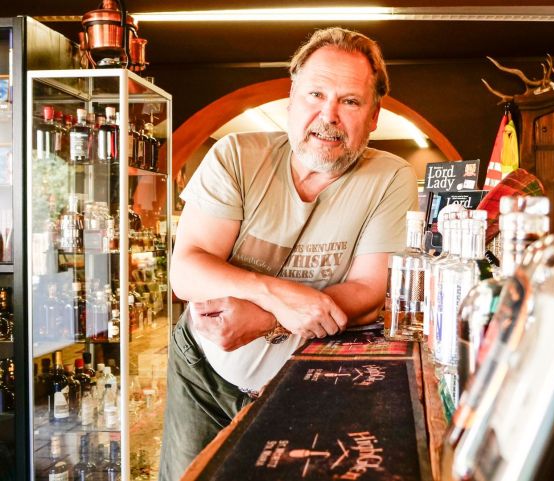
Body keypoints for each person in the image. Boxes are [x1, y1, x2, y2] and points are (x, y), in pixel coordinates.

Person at [158, 27, 418, 480]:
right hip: (204, 370)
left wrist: (266, 318)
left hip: (300, 380)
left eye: (350, 101)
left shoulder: (390, 177)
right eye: (315, 94)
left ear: (373, 117)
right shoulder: (235, 156)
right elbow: (188, 269)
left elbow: (369, 290)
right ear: (291, 100)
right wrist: (274, 292)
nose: (328, 114)